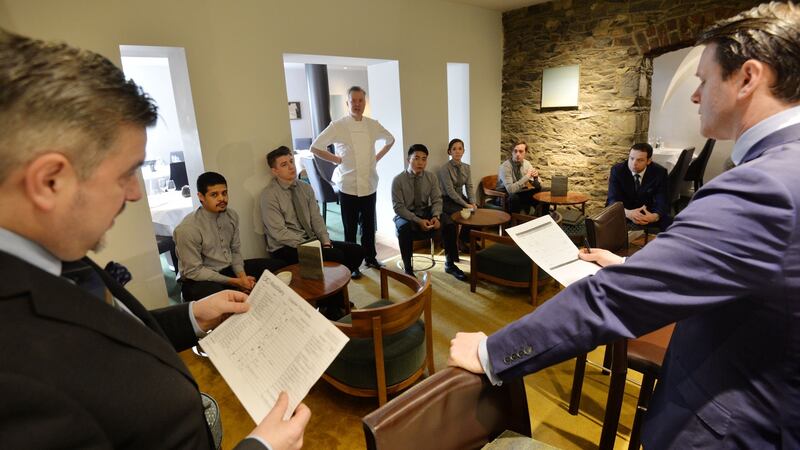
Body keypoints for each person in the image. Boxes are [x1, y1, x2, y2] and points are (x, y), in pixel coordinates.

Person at [449, 2, 800, 448]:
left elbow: (609, 301)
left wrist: (491, 351)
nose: (695, 96)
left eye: (703, 80)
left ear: (748, 78)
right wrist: (629, 263)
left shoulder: (765, 187)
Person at [0, 29, 308, 449]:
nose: (133, 193)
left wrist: (194, 315)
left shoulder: (60, 251)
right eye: (126, 173)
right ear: (49, 181)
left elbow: (117, 330)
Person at [309, 86, 395, 269]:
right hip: (347, 185)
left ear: (365, 102)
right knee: (350, 228)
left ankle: (370, 257)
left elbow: (390, 140)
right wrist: (336, 159)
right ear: (347, 103)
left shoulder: (373, 125)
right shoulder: (338, 126)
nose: (357, 104)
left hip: (369, 184)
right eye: (353, 101)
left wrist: (376, 158)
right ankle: (352, 265)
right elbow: (315, 147)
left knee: (369, 226)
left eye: (360, 100)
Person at [174, 172, 287, 302]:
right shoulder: (188, 229)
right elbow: (194, 271)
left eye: (224, 193)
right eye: (214, 195)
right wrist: (235, 282)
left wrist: (242, 277)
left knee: (280, 266)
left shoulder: (231, 216)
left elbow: (235, 251)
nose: (222, 198)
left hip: (227, 270)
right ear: (201, 197)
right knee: (226, 299)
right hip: (198, 280)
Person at [260, 145, 365, 279]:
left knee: (356, 251)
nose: (291, 167)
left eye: (291, 161)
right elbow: (279, 233)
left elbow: (316, 218)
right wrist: (311, 246)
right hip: (285, 247)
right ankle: (332, 293)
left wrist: (325, 242)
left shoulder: (305, 188)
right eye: (284, 164)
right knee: (336, 256)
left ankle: (334, 287)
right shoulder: (269, 195)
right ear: (275, 171)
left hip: (311, 240)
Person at [391, 144, 466, 281]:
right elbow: (398, 207)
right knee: (404, 228)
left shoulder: (431, 177)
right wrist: (418, 220)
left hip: (426, 211)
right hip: (406, 214)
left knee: (449, 222)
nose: (421, 163)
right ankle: (408, 269)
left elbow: (437, 200)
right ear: (409, 159)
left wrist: (436, 216)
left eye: (424, 159)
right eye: (417, 158)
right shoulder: (398, 180)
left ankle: (450, 264)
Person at [607, 142, 672, 231]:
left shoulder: (659, 172)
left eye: (640, 160)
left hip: (648, 212)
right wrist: (628, 213)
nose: (634, 163)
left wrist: (654, 216)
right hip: (624, 211)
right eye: (632, 158)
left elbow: (663, 200)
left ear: (648, 161)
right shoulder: (618, 170)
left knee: (669, 223)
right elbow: (612, 199)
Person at [438, 138, 476, 252]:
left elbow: (469, 186)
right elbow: (450, 191)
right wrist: (466, 205)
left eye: (460, 148)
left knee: (476, 210)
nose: (457, 151)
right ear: (449, 152)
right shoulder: (445, 168)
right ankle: (456, 242)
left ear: (464, 151)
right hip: (447, 199)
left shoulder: (466, 167)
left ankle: (463, 238)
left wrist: (472, 202)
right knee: (465, 211)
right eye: (454, 149)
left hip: (460, 197)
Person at [496, 141, 542, 214]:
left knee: (542, 191)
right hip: (505, 197)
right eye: (515, 151)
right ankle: (515, 222)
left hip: (519, 193)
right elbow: (511, 190)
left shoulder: (526, 163)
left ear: (525, 153)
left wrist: (536, 177)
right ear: (512, 152)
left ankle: (541, 217)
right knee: (514, 197)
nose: (517, 154)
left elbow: (537, 185)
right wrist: (527, 176)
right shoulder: (505, 167)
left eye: (521, 151)